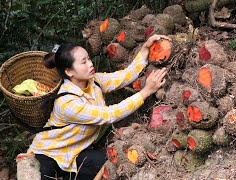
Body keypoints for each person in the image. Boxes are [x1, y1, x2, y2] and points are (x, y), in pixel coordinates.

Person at [27, 34, 169, 180]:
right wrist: (146, 91)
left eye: (88, 58)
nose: (90, 64)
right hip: (48, 155)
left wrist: (145, 48)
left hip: (74, 153)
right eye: (83, 62)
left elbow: (124, 76)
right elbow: (109, 115)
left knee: (102, 163)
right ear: (69, 72)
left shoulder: (94, 82)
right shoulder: (67, 103)